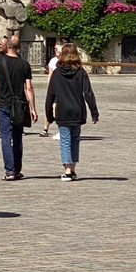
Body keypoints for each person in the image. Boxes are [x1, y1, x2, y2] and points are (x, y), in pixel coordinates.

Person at [44, 43, 99, 181]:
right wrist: (94, 112)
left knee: (65, 140)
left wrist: (48, 114)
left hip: (63, 110)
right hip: (77, 110)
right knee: (75, 140)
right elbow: (88, 93)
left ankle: (68, 170)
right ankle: (72, 168)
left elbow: (50, 95)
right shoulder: (81, 72)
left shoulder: (57, 73)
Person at [0, 35, 36, 181]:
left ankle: (10, 171)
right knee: (17, 138)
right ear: (19, 47)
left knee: (6, 137)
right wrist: (33, 108)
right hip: (19, 104)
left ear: (7, 46)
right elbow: (29, 88)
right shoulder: (24, 64)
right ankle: (17, 169)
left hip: (3, 103)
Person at [40, 42, 62, 137]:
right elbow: (50, 74)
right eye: (55, 49)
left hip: (61, 87)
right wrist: (49, 87)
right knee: (49, 106)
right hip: (53, 87)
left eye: (57, 49)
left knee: (57, 108)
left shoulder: (65, 61)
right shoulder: (53, 61)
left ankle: (60, 129)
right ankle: (45, 128)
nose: (56, 51)